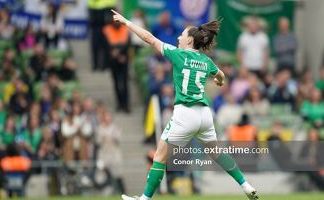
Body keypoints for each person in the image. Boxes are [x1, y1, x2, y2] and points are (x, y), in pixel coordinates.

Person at [111, 10, 258, 200]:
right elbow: (221, 74)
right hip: (205, 115)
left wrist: (126, 22)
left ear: (189, 41)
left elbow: (149, 38)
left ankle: (144, 199)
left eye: (182, 35)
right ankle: (246, 186)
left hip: (185, 114)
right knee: (216, 153)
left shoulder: (178, 54)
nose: (179, 37)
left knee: (159, 157)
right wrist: (220, 81)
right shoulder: (206, 61)